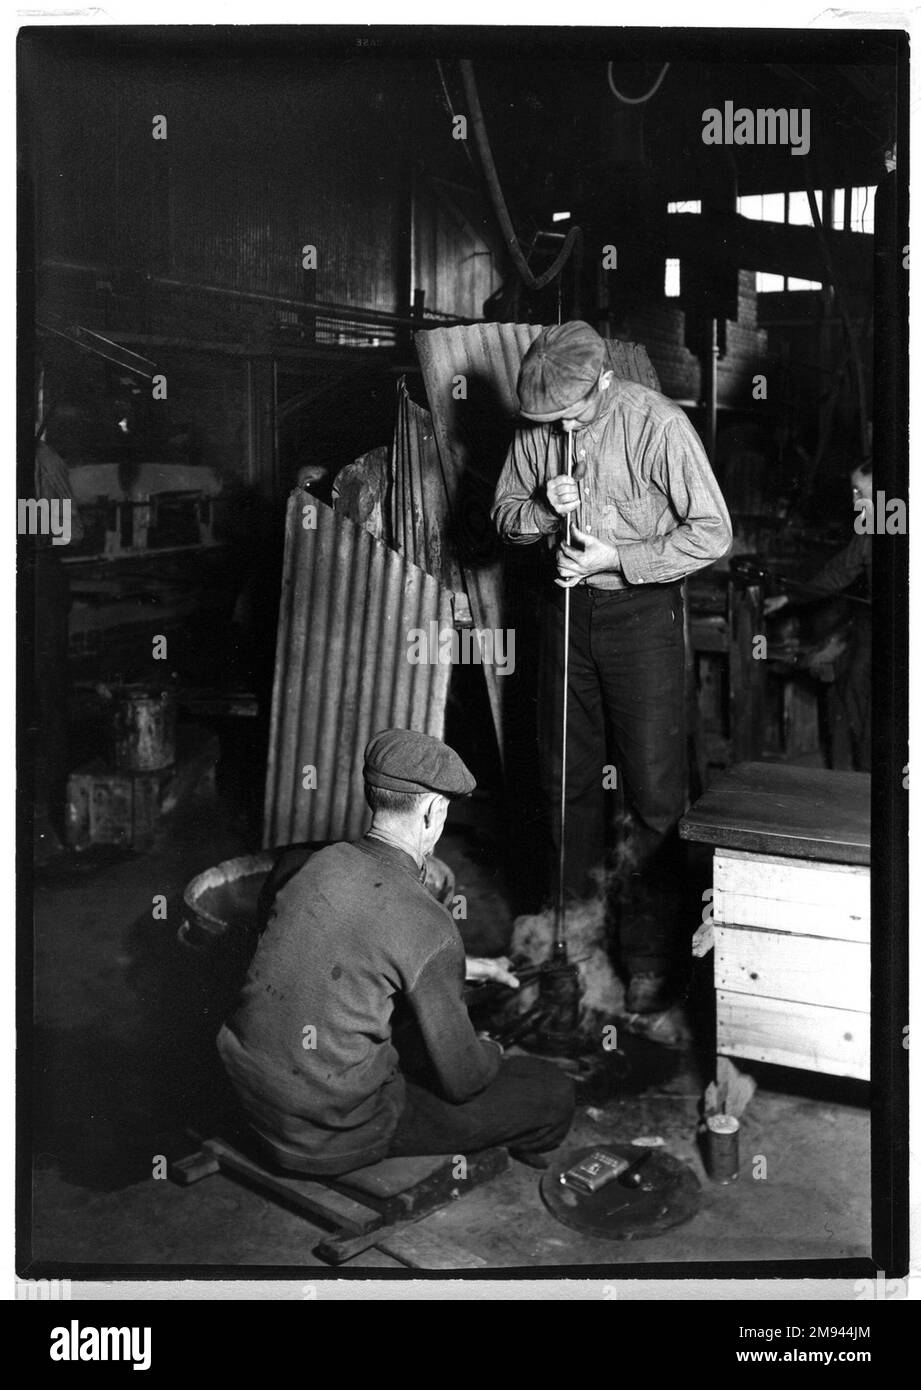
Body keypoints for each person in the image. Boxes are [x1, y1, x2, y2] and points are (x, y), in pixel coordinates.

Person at [491, 321, 732, 1014]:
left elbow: (712, 532)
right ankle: (571, 944)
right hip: (562, 619)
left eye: (569, 414)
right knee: (562, 781)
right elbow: (502, 516)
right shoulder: (537, 421)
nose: (555, 428)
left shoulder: (655, 424)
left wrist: (616, 559)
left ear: (600, 384)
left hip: (642, 621)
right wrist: (540, 507)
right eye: (543, 419)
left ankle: (651, 955)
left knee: (654, 795)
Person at [217, 729, 575, 1176]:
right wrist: (493, 1049)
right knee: (551, 1091)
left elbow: (349, 952)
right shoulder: (427, 923)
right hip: (332, 1135)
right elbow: (464, 1082)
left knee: (402, 1030)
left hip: (252, 1102)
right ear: (431, 811)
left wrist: (465, 968)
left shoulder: (314, 865)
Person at [765, 463, 872, 771]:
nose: (854, 502)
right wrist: (790, 596)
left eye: (860, 492)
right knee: (852, 688)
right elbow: (840, 571)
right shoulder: (873, 527)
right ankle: (865, 779)